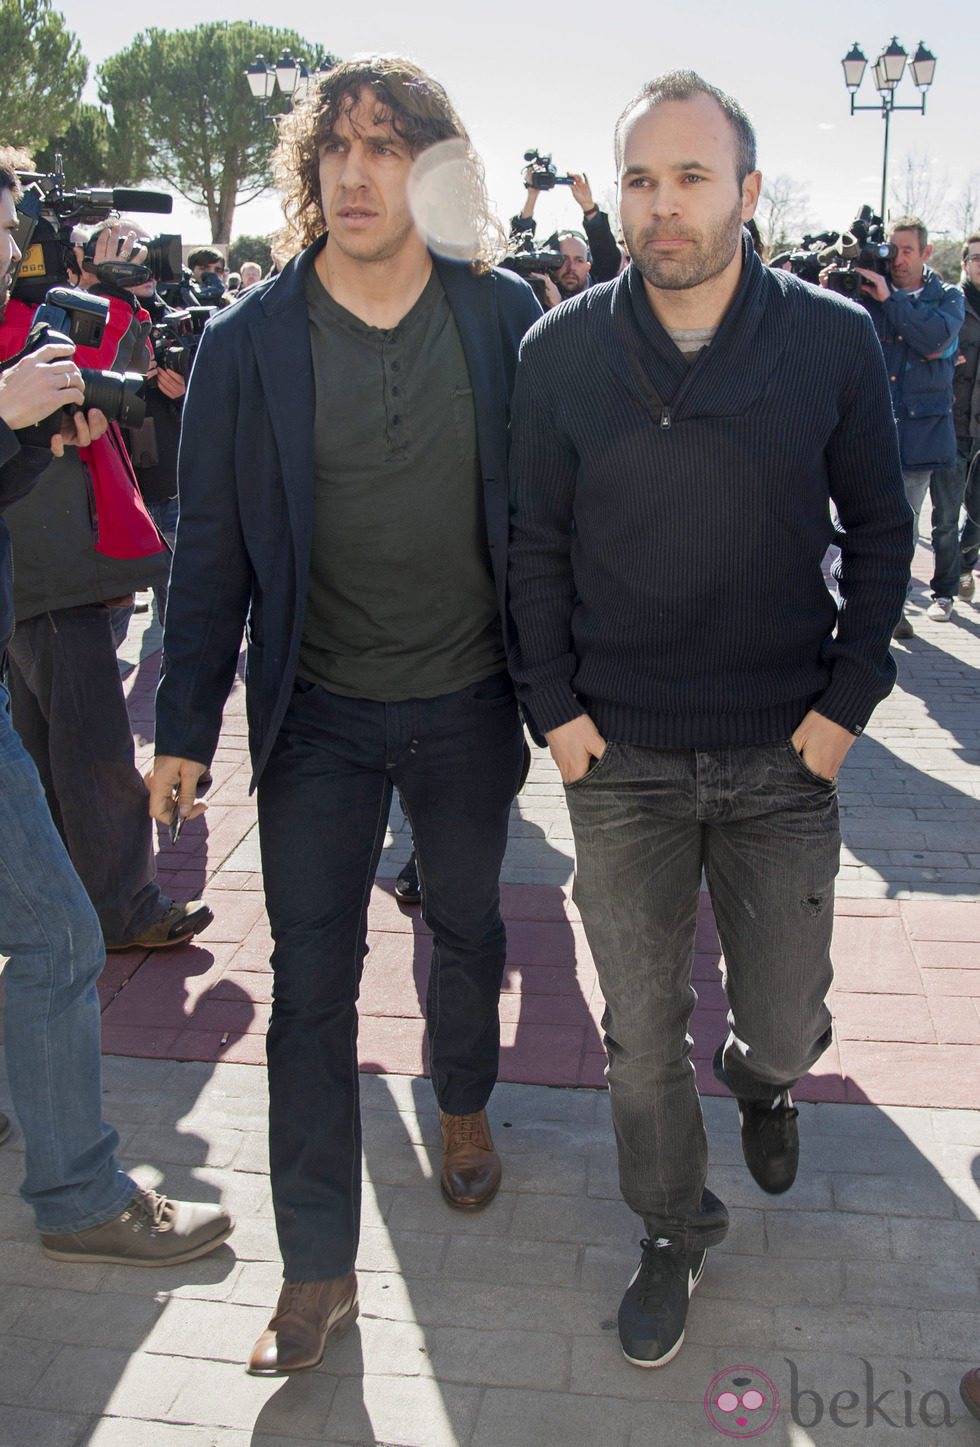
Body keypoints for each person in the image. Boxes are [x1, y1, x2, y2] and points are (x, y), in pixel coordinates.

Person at [508, 70, 913, 1370]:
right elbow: (532, 546)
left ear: (747, 191)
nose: (662, 204)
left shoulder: (832, 341)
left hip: (782, 752)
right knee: (638, 1038)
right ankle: (673, 1226)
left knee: (785, 1015)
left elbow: (886, 527)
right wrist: (557, 714)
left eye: (690, 177)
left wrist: (845, 706)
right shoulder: (558, 350)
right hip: (614, 758)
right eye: (640, 178)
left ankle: (767, 1072)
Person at [146, 55, 540, 1376]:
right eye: (341, 148)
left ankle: (467, 1098)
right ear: (311, 172)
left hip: (473, 699)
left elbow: (551, 518)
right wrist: (183, 723)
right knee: (308, 988)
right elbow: (206, 552)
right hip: (314, 713)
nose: (361, 170)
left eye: (390, 146)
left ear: (429, 168)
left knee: (472, 920)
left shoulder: (499, 316)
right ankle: (315, 1267)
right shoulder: (249, 339)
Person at [0, 152, 232, 1264]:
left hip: (45, 597)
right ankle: (80, 1191)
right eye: (5, 222)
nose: (14, 244)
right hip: (49, 598)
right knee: (55, 929)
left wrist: (34, 429)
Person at [0, 214, 213, 951]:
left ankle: (67, 903)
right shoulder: (25, 319)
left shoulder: (30, 309)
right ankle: (125, 905)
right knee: (93, 749)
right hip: (53, 569)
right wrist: (103, 290)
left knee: (43, 745)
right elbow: (67, 368)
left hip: (41, 569)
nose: (13, 245)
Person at [850, 216, 964, 631]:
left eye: (907, 250)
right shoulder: (867, 292)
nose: (897, 259)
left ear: (926, 252)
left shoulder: (947, 298)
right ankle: (861, 607)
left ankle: (893, 611)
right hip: (870, 433)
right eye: (891, 249)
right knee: (859, 523)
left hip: (919, 437)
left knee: (904, 526)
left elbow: (933, 339)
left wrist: (890, 300)